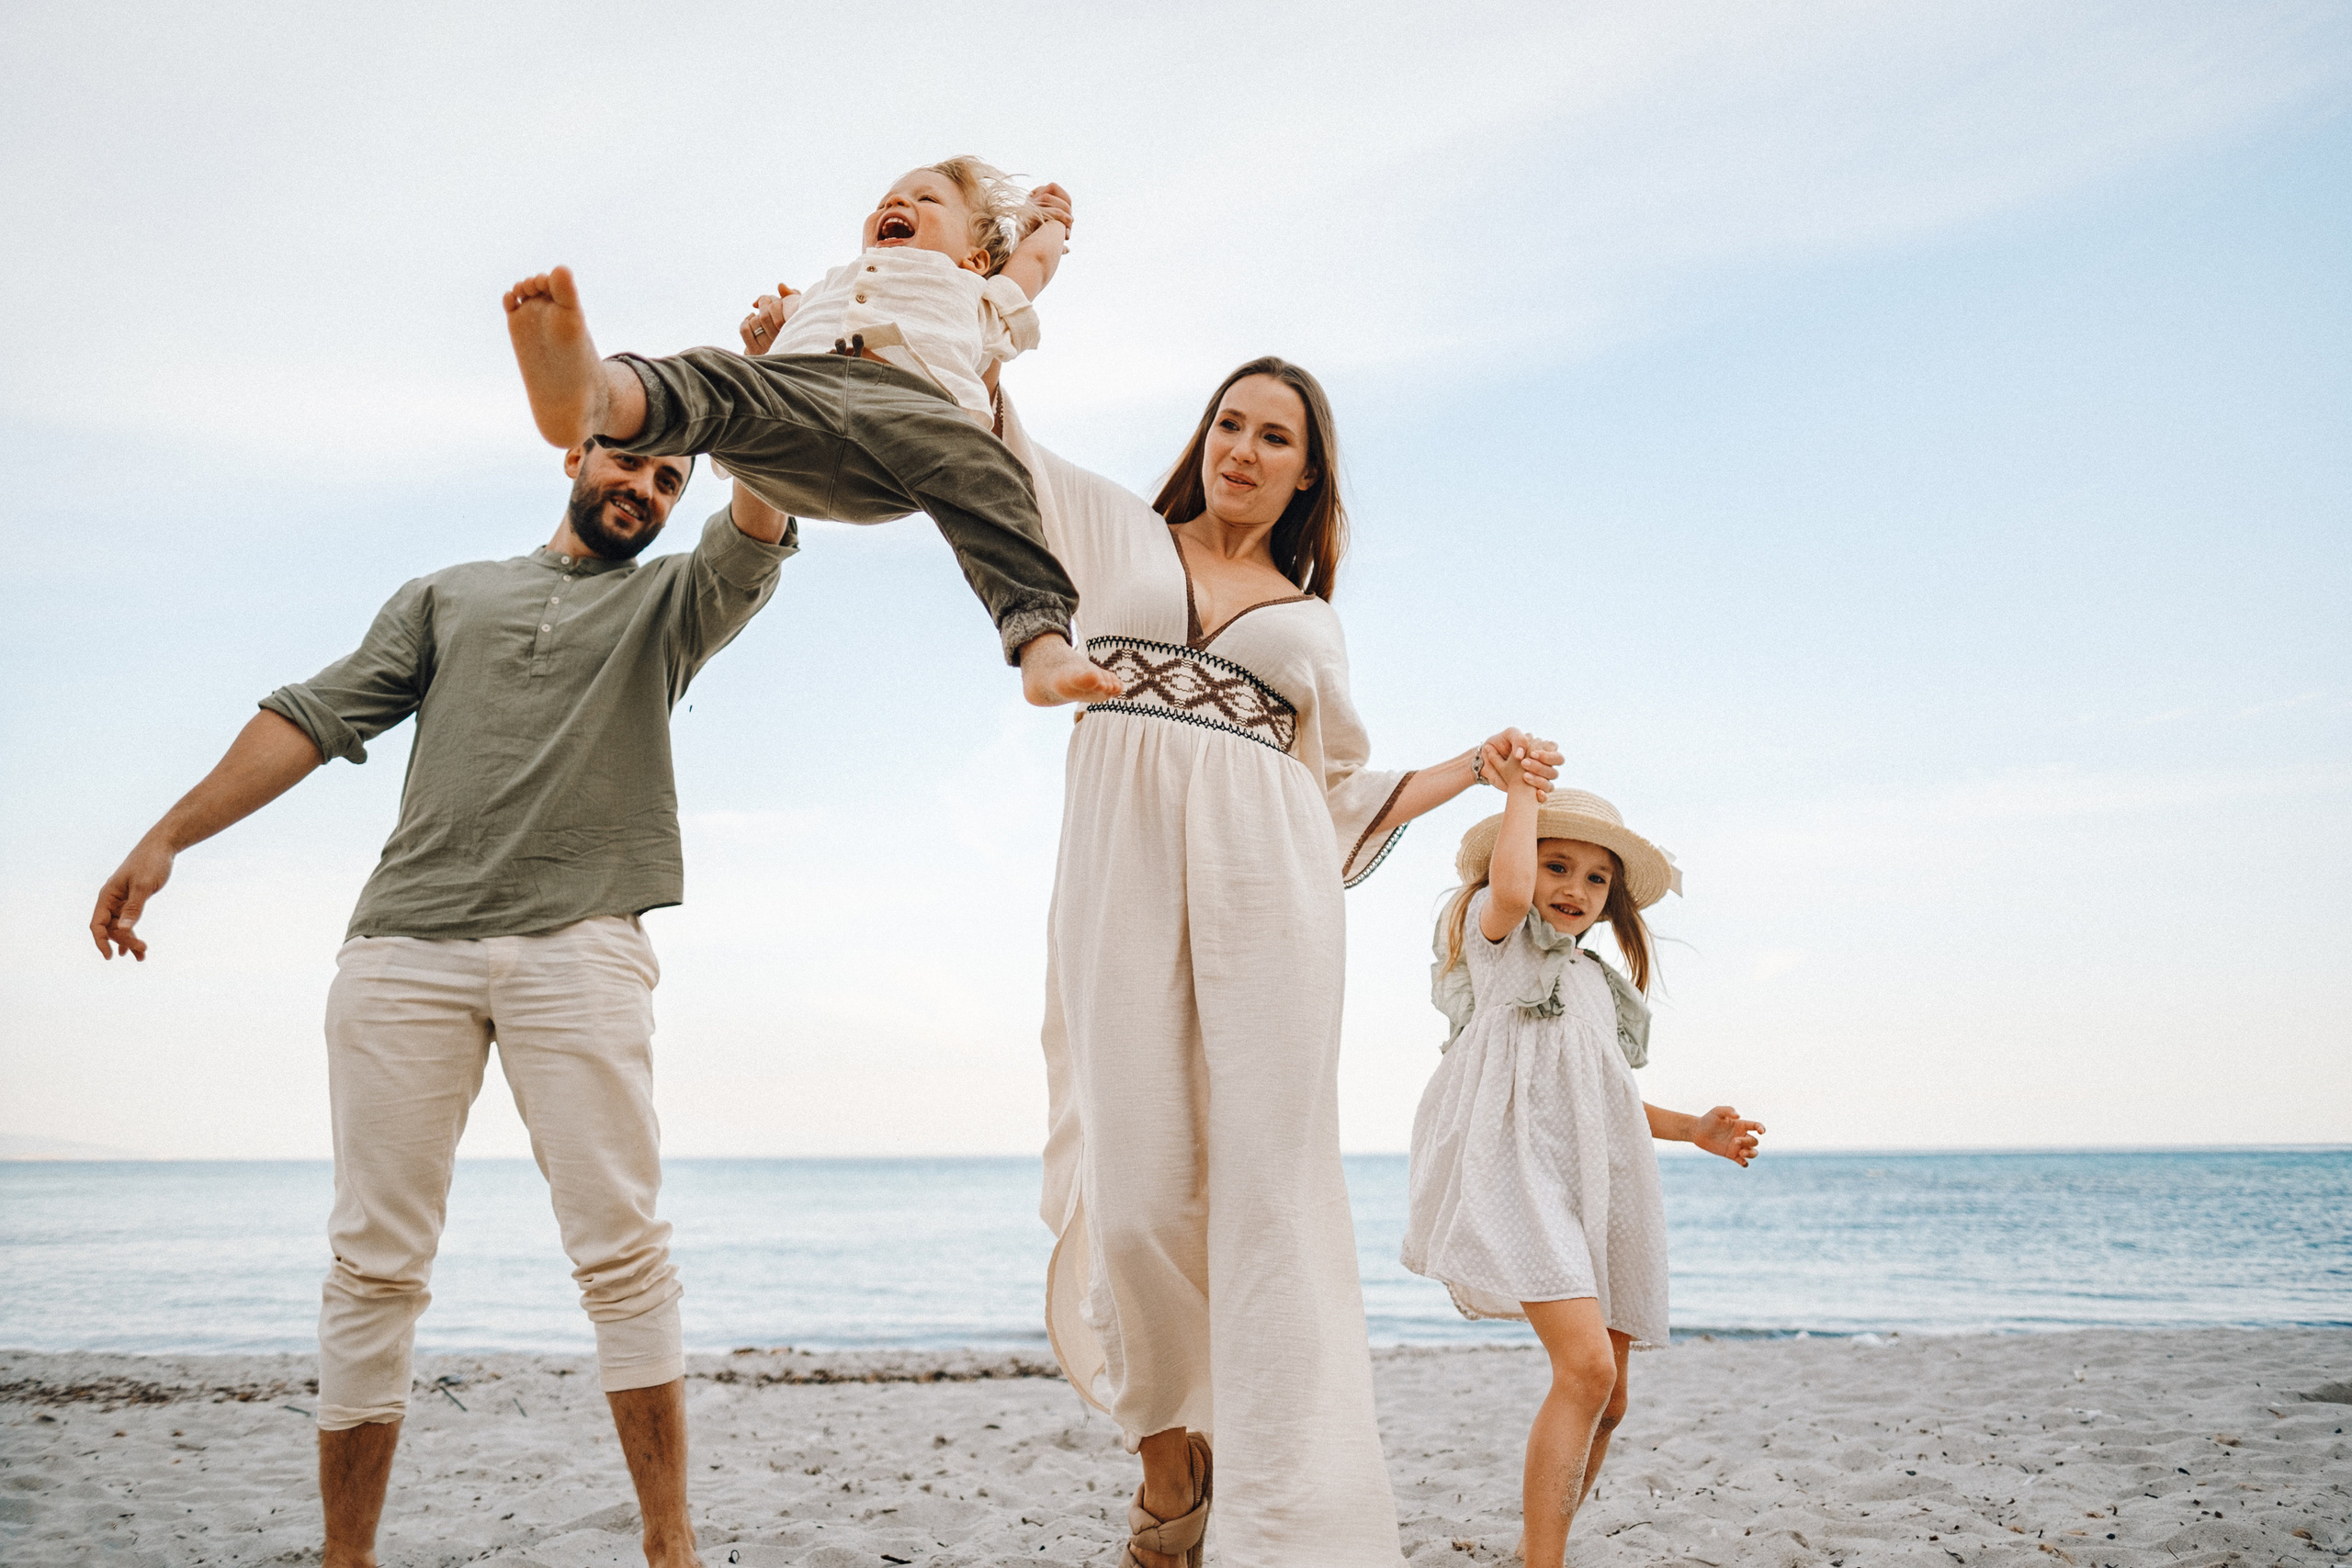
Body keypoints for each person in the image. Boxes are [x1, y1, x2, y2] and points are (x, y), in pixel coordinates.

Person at [88, 444, 798, 1568]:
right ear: (577, 451)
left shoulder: (671, 603)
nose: (646, 490)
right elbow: (315, 714)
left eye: (671, 479)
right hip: (404, 950)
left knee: (623, 1252)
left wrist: (751, 404)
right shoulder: (448, 595)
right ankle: (348, 1557)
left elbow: (755, 525)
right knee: (373, 1265)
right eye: (631, 461)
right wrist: (168, 835)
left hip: (582, 945)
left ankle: (671, 1548)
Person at [993, 358, 1562, 1568]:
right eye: (1229, 424)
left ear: (1308, 473)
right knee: (1135, 1195)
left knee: (1266, 1195)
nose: (1242, 450)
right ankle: (1169, 1452)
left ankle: (1276, 1516)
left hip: (1270, 913)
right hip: (1116, 892)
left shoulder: (1310, 622)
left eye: (1273, 437)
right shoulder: (1118, 532)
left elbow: (1337, 793)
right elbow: (992, 436)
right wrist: (972, 293)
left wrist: (1474, 765)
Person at [502, 157, 1118, 707]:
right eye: (888, 199)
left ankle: (1042, 644)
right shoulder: (827, 288)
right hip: (801, 405)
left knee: (991, 477)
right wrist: (772, 335)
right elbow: (774, 342)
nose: (896, 203)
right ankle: (598, 398)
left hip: (912, 425)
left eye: (926, 199)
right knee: (716, 374)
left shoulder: (978, 295)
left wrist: (1050, 224)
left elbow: (1035, 262)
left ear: (975, 259)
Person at [1399, 765, 1765, 1568]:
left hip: (1602, 1184)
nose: (1576, 887)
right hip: (1522, 1177)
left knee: (1611, 1395)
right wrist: (1520, 794)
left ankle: (1535, 1548)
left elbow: (1603, 1097)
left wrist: (1693, 1129)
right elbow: (1511, 885)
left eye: (1597, 877)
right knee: (1587, 1367)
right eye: (1557, 865)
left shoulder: (1595, 983)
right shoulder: (1498, 943)